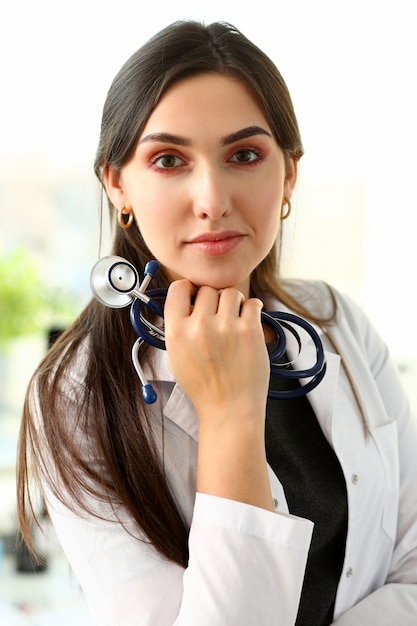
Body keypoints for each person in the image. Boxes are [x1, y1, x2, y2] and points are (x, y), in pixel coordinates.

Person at [16, 20, 417, 626]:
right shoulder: (73, 399)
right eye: (170, 159)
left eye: (245, 155)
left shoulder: (339, 324)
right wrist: (232, 416)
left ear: (288, 174)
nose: (211, 198)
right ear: (116, 183)